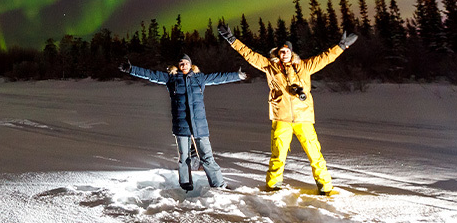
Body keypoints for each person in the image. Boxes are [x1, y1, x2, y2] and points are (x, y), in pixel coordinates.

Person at [217, 24, 357, 195]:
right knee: (278, 155)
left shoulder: (305, 66)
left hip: (303, 117)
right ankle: (273, 185)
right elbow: (249, 55)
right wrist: (232, 40)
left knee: (315, 154)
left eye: (287, 51)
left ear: (292, 52)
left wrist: (341, 46)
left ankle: (325, 186)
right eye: (281, 51)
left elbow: (325, 58)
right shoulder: (270, 66)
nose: (284, 54)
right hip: (281, 117)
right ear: (277, 53)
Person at [119, 54, 246, 191]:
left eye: (186, 63)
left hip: (199, 125)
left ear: (191, 65)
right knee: (184, 157)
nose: (183, 65)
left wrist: (237, 75)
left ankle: (218, 184)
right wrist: (131, 69)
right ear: (177, 66)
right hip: (181, 125)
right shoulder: (172, 78)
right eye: (181, 63)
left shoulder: (199, 78)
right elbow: (151, 75)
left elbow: (219, 77)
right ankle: (185, 184)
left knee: (207, 157)